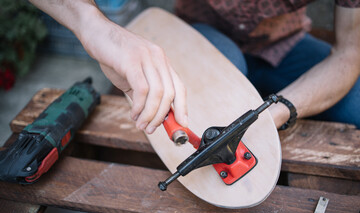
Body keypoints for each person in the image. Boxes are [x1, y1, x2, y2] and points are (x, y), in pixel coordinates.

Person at [29, 0, 360, 134]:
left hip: (285, 43)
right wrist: (96, 27)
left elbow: (350, 53)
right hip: (206, 38)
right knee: (206, 108)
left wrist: (278, 111)